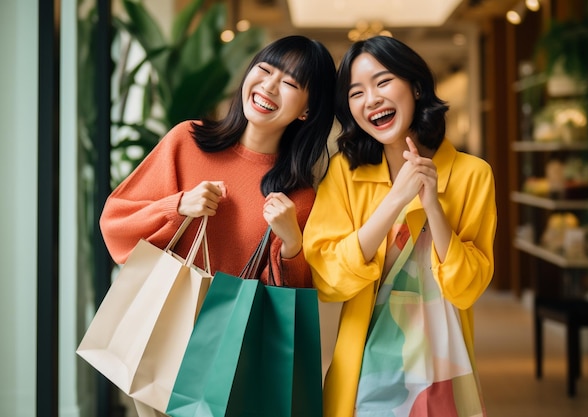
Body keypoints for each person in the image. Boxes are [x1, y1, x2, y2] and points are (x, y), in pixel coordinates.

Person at [303, 35, 496, 417]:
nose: (370, 99)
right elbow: (326, 278)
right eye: (355, 93)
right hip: (364, 372)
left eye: (383, 81)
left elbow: (467, 288)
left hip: (444, 368)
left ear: (417, 86)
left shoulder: (473, 174)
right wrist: (395, 200)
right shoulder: (343, 172)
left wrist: (433, 208)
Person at [100, 34, 336, 289]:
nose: (269, 86)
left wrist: (292, 244)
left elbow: (285, 308)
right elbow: (116, 223)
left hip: (232, 329)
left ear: (307, 110)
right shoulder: (187, 140)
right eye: (265, 70)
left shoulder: (298, 199)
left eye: (290, 83)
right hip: (159, 322)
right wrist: (177, 207)